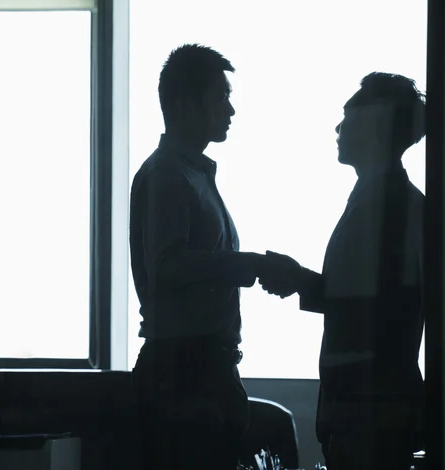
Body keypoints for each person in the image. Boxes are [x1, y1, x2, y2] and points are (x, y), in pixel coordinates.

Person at [260, 72, 426, 470]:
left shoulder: (392, 207)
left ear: (372, 127)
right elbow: (368, 298)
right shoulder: (386, 201)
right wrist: (303, 281)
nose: (338, 127)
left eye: (348, 117)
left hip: (370, 407)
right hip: (364, 406)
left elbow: (375, 310)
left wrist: (301, 280)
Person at [129, 44, 278, 470]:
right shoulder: (168, 176)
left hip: (200, 369)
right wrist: (249, 264)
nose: (230, 110)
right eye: (220, 97)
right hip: (183, 374)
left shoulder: (191, 175)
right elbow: (167, 268)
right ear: (183, 103)